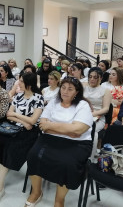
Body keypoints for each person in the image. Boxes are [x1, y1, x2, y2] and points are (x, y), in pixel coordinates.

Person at [25, 77, 93, 207]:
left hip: (78, 143)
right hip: (52, 139)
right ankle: (36, 192)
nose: (65, 91)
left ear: (77, 92)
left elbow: (78, 130)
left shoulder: (82, 105)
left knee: (67, 163)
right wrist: (67, 129)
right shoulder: (54, 102)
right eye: (63, 87)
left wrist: (52, 126)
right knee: (33, 156)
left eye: (70, 89)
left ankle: (59, 200)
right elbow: (42, 124)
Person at [0, 73, 44, 205]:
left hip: (29, 133)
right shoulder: (18, 96)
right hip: (13, 127)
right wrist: (22, 119)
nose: (18, 84)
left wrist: (18, 117)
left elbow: (33, 120)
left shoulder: (38, 98)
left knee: (8, 147)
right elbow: (9, 115)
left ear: (29, 84)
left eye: (21, 81)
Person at [83, 67, 111, 158]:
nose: (92, 79)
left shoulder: (105, 91)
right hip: (83, 113)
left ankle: (90, 157)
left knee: (91, 131)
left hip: (98, 116)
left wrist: (93, 114)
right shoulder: (83, 87)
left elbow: (106, 109)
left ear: (101, 78)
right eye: (90, 77)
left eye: (95, 77)